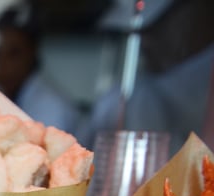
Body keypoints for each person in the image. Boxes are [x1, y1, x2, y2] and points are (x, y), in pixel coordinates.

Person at [78, 0, 214, 153]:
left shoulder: (137, 99)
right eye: (139, 32)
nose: (144, 42)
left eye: (155, 28)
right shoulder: (131, 97)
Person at [0, 2, 81, 135]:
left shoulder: (50, 106)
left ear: (32, 54)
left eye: (13, 54)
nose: (2, 64)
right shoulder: (8, 97)